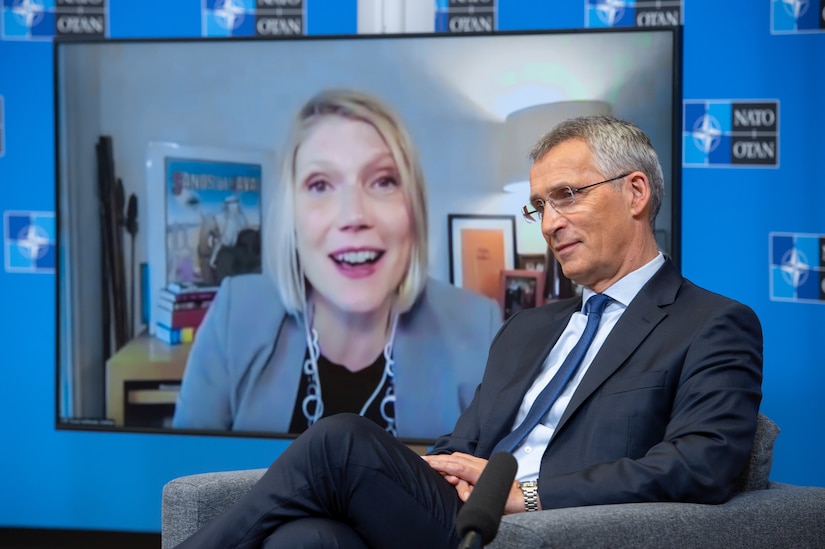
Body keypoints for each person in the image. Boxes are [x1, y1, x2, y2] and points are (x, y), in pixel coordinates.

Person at [174, 115, 763, 548]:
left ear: (636, 193)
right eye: (540, 206)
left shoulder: (711, 324)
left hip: (551, 526)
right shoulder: (527, 328)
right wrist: (444, 466)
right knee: (302, 541)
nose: (551, 223)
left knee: (338, 439)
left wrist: (526, 492)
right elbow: (464, 443)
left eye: (567, 196)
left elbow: (701, 464)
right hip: (458, 513)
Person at [172, 89, 502, 440]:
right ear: (291, 218)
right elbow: (184, 483)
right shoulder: (234, 316)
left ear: (414, 209)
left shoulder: (480, 330)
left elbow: (503, 486)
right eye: (320, 185)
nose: (354, 215)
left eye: (383, 181)